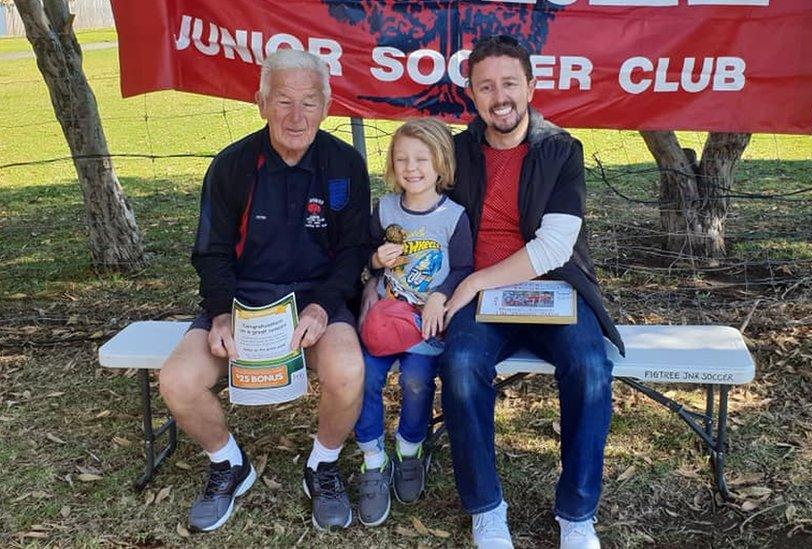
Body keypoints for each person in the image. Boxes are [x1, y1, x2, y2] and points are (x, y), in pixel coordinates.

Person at [158, 49, 370, 533]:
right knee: (178, 380)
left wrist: (322, 307)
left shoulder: (345, 164)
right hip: (242, 301)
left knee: (347, 370)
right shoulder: (232, 166)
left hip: (316, 301)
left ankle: (322, 465)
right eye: (284, 101)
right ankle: (229, 463)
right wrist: (220, 314)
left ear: (328, 104)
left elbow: (354, 250)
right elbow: (211, 252)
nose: (297, 117)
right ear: (260, 103)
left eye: (309, 103)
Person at [439, 35, 625, 549]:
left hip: (554, 289)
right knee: (458, 366)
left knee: (590, 365)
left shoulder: (561, 149)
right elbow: (426, 221)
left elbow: (555, 247)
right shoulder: (454, 153)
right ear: (472, 95)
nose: (499, 97)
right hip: (480, 302)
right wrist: (440, 286)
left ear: (531, 87)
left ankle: (577, 514)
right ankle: (486, 509)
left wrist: (477, 279)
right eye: (486, 87)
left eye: (509, 84)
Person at [354, 118, 473, 527]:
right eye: (402, 158)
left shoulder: (453, 216)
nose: (412, 167)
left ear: (440, 165)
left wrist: (442, 294)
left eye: (422, 159)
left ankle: (409, 449)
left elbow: (463, 266)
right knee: (363, 378)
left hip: (426, 324)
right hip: (385, 318)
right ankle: (372, 457)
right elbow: (366, 255)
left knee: (417, 381)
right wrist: (373, 263)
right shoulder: (385, 208)